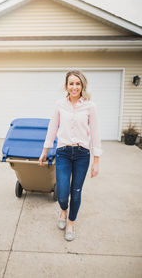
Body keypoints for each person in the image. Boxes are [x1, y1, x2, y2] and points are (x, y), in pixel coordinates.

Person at [39, 70, 102, 241]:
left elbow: (95, 133)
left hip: (82, 154)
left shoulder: (90, 106)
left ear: (82, 86)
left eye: (77, 83)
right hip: (63, 152)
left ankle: (71, 223)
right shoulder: (60, 104)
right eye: (71, 83)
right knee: (62, 192)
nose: (74, 87)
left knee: (76, 192)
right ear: (66, 86)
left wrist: (96, 160)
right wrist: (45, 151)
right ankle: (63, 211)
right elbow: (53, 128)